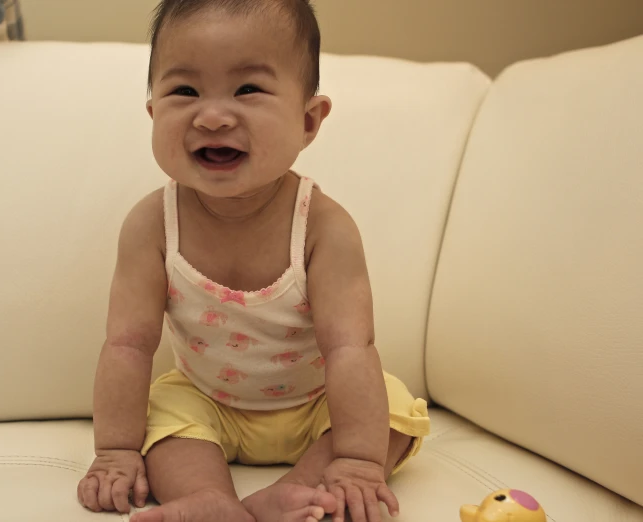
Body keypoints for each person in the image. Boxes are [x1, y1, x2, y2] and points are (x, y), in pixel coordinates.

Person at [77, 1, 430, 521]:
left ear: (308, 121)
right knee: (163, 418)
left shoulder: (324, 228)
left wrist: (358, 460)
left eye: (247, 90)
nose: (213, 115)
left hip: (316, 401)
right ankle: (210, 500)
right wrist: (115, 450)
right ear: (154, 113)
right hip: (206, 398)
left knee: (393, 409)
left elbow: (351, 349)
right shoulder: (152, 225)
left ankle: (300, 489)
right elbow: (128, 345)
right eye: (184, 91)